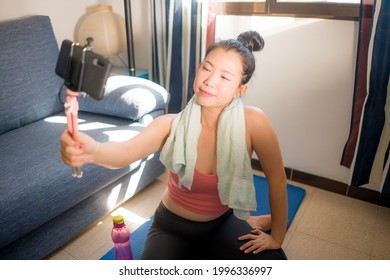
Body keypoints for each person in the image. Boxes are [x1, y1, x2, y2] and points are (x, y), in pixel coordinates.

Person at [60, 30, 288, 260]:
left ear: (240, 89)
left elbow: (277, 180)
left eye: (225, 77)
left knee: (275, 262)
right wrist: (93, 151)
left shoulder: (254, 122)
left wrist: (277, 237)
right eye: (206, 68)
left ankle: (250, 222)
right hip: (171, 227)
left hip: (222, 221)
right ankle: (250, 222)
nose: (209, 81)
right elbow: (124, 152)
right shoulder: (170, 125)